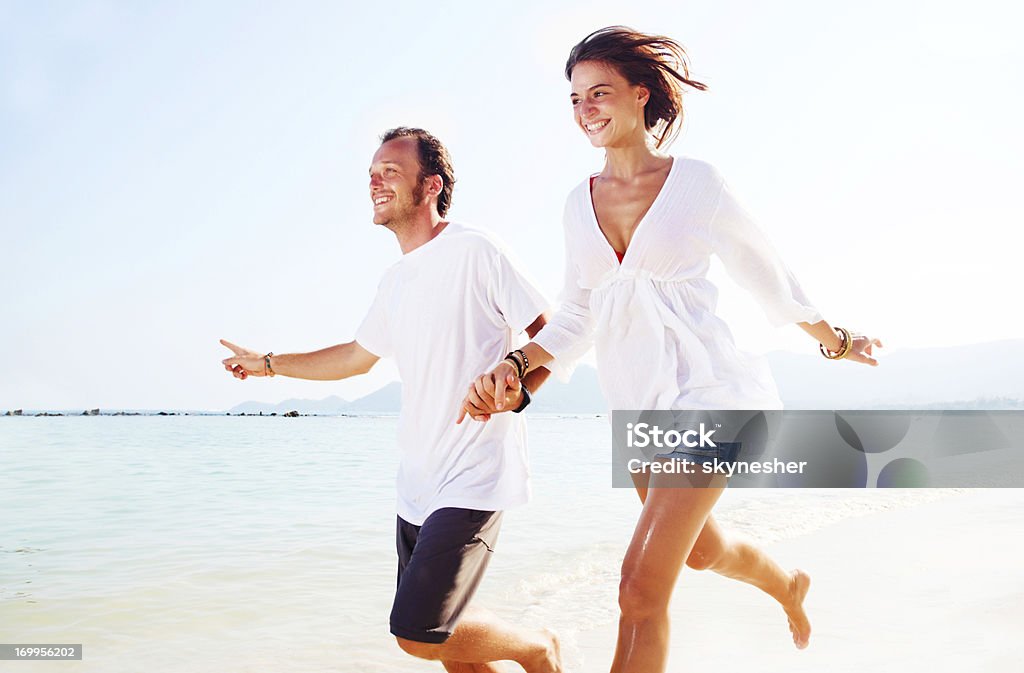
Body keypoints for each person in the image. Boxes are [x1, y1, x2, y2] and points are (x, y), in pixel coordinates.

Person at [460, 27, 883, 673]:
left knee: (638, 588)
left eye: (599, 93)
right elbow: (578, 313)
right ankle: (787, 583)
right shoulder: (580, 203)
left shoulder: (698, 183)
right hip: (638, 399)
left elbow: (768, 273)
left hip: (713, 393)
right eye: (574, 99)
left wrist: (836, 340)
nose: (586, 110)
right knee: (701, 552)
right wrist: (517, 363)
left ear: (640, 94)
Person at [221, 127, 562, 673]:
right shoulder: (396, 281)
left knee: (418, 633)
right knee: (451, 654)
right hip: (416, 484)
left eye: (391, 171)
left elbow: (551, 335)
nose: (376, 181)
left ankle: (536, 647)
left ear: (431, 185)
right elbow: (357, 357)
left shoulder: (476, 249)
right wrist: (268, 364)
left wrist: (515, 394)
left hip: (474, 473)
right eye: (373, 173)